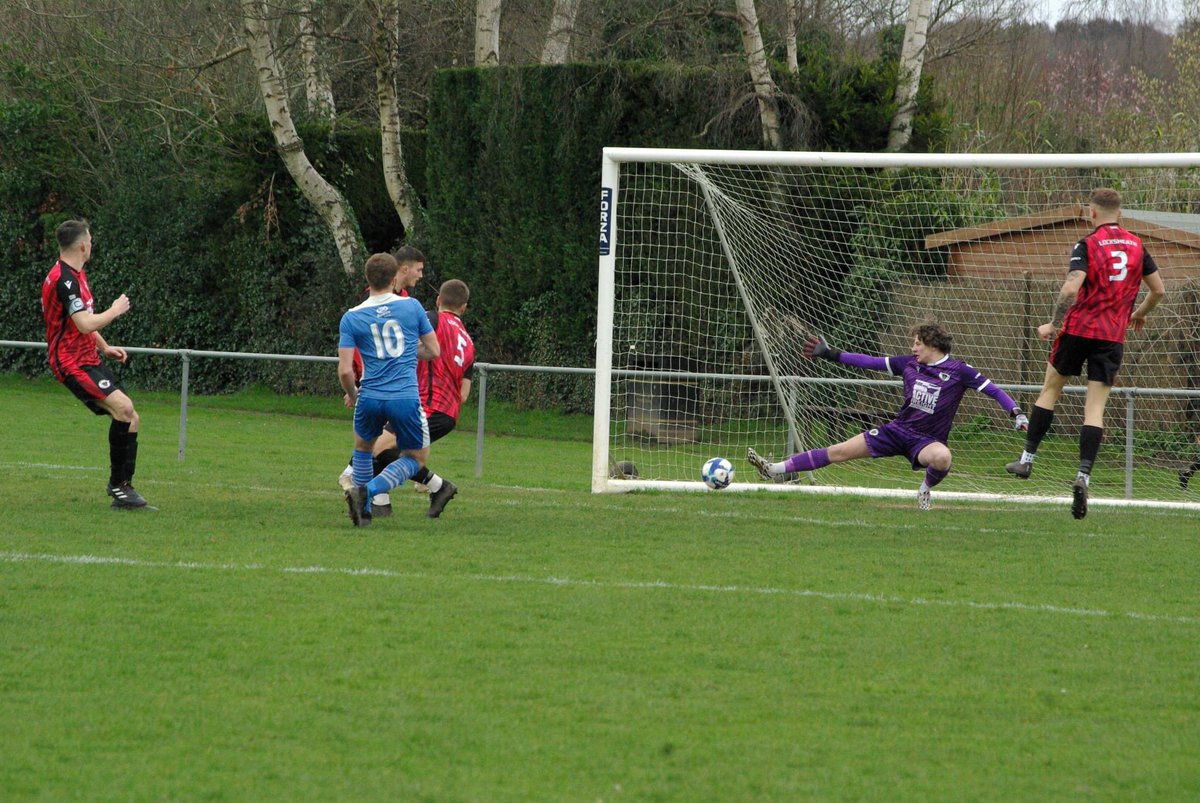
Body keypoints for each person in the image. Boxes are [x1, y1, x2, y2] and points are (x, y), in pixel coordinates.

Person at [1004, 187, 1166, 519]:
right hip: (1111, 337)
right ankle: (1083, 475)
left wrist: (1053, 323)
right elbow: (1159, 290)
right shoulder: (1138, 246)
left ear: (1091, 213)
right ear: (1119, 212)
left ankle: (1027, 461)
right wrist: (1138, 313)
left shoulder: (1087, 244)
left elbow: (1070, 287)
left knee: (1050, 390)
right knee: (1095, 410)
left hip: (1078, 330)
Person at [747, 322, 1029, 510]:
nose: (913, 348)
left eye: (917, 343)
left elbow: (992, 390)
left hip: (927, 441)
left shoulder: (959, 370)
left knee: (943, 458)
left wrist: (1015, 412)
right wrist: (831, 354)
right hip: (897, 431)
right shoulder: (907, 363)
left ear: (931, 345)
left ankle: (924, 490)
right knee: (839, 451)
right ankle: (773, 470)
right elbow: (869, 362)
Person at [41, 219, 152, 510]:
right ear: (81, 245)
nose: (91, 244)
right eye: (89, 240)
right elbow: (84, 321)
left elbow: (83, 324)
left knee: (131, 417)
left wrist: (105, 347)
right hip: (70, 362)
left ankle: (124, 490)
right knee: (124, 409)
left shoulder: (76, 275)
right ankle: (118, 487)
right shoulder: (64, 279)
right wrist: (115, 310)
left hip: (87, 358)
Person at [337, 250, 446, 527]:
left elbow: (345, 370)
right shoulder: (412, 308)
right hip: (404, 397)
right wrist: (409, 353)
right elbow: (434, 350)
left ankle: (363, 514)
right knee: (416, 458)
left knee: (363, 448)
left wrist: (352, 394)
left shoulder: (351, 317)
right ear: (395, 275)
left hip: (370, 396)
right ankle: (367, 493)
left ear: (367, 279)